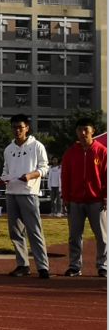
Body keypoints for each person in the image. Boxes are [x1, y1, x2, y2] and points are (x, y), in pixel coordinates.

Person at [0, 114, 50, 279]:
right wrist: (2, 179)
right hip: (11, 192)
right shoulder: (9, 149)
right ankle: (23, 265)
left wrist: (31, 175)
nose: (17, 130)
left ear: (27, 128)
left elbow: (44, 168)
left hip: (29, 193)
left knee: (34, 230)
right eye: (14, 127)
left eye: (20, 127)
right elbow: (5, 170)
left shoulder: (37, 146)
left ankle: (43, 266)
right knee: (15, 232)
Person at [60, 118, 107, 278]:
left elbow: (107, 175)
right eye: (80, 129)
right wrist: (65, 197)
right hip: (75, 201)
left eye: (86, 129)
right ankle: (74, 266)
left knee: (102, 235)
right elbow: (65, 176)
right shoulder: (70, 153)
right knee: (74, 235)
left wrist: (106, 196)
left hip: (97, 200)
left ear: (93, 131)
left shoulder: (102, 151)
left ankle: (103, 266)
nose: (83, 133)